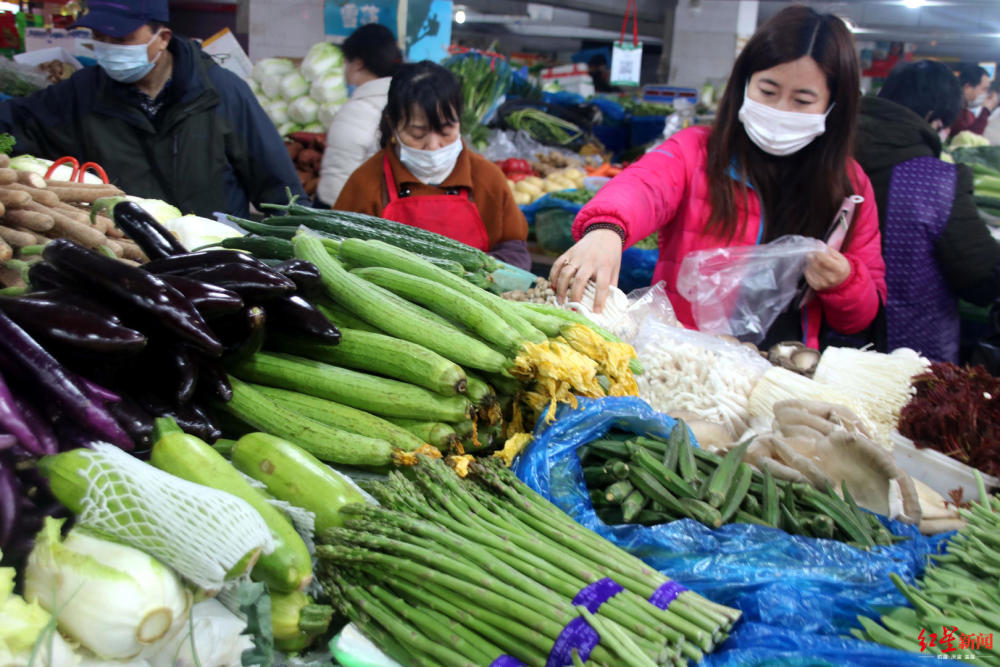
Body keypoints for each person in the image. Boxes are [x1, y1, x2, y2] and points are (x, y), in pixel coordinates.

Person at [551, 6, 886, 351]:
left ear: (834, 106)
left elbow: (860, 317)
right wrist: (607, 228)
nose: (780, 110)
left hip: (784, 373)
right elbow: (643, 186)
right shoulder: (696, 152)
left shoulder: (849, 187)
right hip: (686, 363)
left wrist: (844, 282)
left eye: (802, 100)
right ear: (744, 84)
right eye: (768, 92)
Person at [0, 0, 305, 218]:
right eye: (99, 38)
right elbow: (16, 123)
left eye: (121, 38)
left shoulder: (221, 93)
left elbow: (280, 193)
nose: (108, 47)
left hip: (216, 262)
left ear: (163, 39)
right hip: (128, 261)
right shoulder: (82, 92)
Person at [855, 60, 1000, 362]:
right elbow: (980, 278)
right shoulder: (936, 181)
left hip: (827, 352)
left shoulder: (829, 160)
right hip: (913, 356)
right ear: (934, 120)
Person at [334, 61, 531, 269]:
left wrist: (477, 280)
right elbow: (340, 254)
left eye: (446, 131)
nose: (434, 146)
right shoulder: (365, 183)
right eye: (417, 134)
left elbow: (514, 253)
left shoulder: (487, 178)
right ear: (393, 124)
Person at [316, 24, 401, 206]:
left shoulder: (356, 111)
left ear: (358, 64)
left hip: (358, 219)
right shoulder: (404, 101)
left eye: (346, 62)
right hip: (388, 217)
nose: (345, 69)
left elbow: (335, 187)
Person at [948, 63, 998, 139]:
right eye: (983, 89)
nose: (985, 94)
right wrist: (986, 110)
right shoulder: (951, 112)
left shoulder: (968, 114)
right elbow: (970, 140)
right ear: (967, 87)